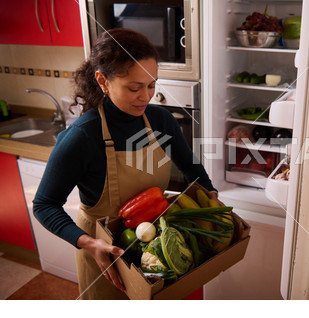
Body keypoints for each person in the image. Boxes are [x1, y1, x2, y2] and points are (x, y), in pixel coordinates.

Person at [33, 28, 219, 300]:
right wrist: (89, 243)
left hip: (153, 244)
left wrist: (210, 192)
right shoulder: (82, 137)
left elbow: (191, 168)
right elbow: (44, 204)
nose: (146, 97)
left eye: (152, 85)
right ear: (103, 81)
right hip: (103, 255)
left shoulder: (161, 122)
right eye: (134, 87)